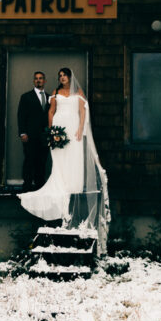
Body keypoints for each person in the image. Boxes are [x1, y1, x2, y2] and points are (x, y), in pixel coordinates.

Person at [18, 67, 111, 253]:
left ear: (70, 77)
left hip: (73, 126)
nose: (61, 78)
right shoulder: (55, 92)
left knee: (74, 155)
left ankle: (73, 184)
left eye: (64, 75)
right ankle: (60, 184)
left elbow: (83, 111)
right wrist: (51, 130)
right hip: (59, 125)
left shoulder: (78, 92)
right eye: (59, 76)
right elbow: (51, 112)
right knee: (59, 158)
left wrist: (80, 129)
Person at [17, 70, 50, 191]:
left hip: (44, 136)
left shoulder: (49, 97)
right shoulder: (26, 97)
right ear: (33, 81)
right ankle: (27, 186)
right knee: (29, 161)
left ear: (44, 81)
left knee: (41, 162)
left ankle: (39, 186)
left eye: (41, 78)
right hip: (29, 135)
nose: (38, 80)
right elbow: (21, 115)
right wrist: (22, 132)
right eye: (36, 78)